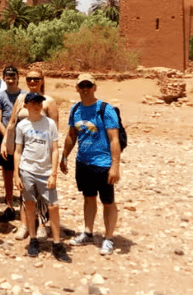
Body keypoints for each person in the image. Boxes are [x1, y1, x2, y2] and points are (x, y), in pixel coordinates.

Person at [61, 73, 121, 256]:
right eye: (82, 86)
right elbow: (72, 135)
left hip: (103, 163)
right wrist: (64, 156)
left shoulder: (105, 109)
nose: (85, 89)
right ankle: (88, 232)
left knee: (108, 202)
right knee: (88, 197)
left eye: (89, 85)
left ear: (95, 87)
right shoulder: (75, 109)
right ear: (77, 88)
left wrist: (115, 166)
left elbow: (114, 139)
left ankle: (108, 238)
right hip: (83, 162)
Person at [14, 92, 71, 262]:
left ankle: (57, 243)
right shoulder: (22, 125)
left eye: (39, 102)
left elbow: (54, 149)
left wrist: (54, 174)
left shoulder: (50, 124)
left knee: (53, 206)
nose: (37, 106)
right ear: (26, 106)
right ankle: (33, 239)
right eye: (33, 103)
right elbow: (18, 151)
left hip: (45, 172)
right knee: (30, 204)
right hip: (27, 170)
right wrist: (16, 175)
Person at [4, 68, 59, 240]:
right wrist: (5, 142)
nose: (33, 82)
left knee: (42, 193)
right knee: (24, 190)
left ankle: (42, 225)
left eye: (36, 79)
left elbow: (54, 131)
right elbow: (12, 122)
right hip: (23, 149)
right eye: (29, 79)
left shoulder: (49, 101)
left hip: (42, 152)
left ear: (42, 80)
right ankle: (24, 224)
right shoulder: (21, 99)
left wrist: (53, 162)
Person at [0, 66, 26, 223]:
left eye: (13, 76)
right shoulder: (0, 96)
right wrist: (7, 136)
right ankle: (9, 205)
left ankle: (24, 205)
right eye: (7, 76)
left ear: (18, 77)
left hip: (24, 139)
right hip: (6, 138)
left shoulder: (25, 95)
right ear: (4, 78)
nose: (10, 79)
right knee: (7, 173)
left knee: (22, 172)